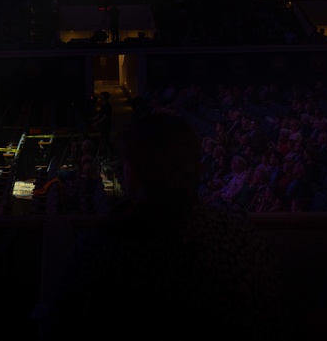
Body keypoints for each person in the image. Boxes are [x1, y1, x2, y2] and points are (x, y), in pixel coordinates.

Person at [37, 111, 286, 339]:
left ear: (132, 173)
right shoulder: (243, 239)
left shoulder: (99, 251)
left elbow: (59, 327)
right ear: (197, 169)